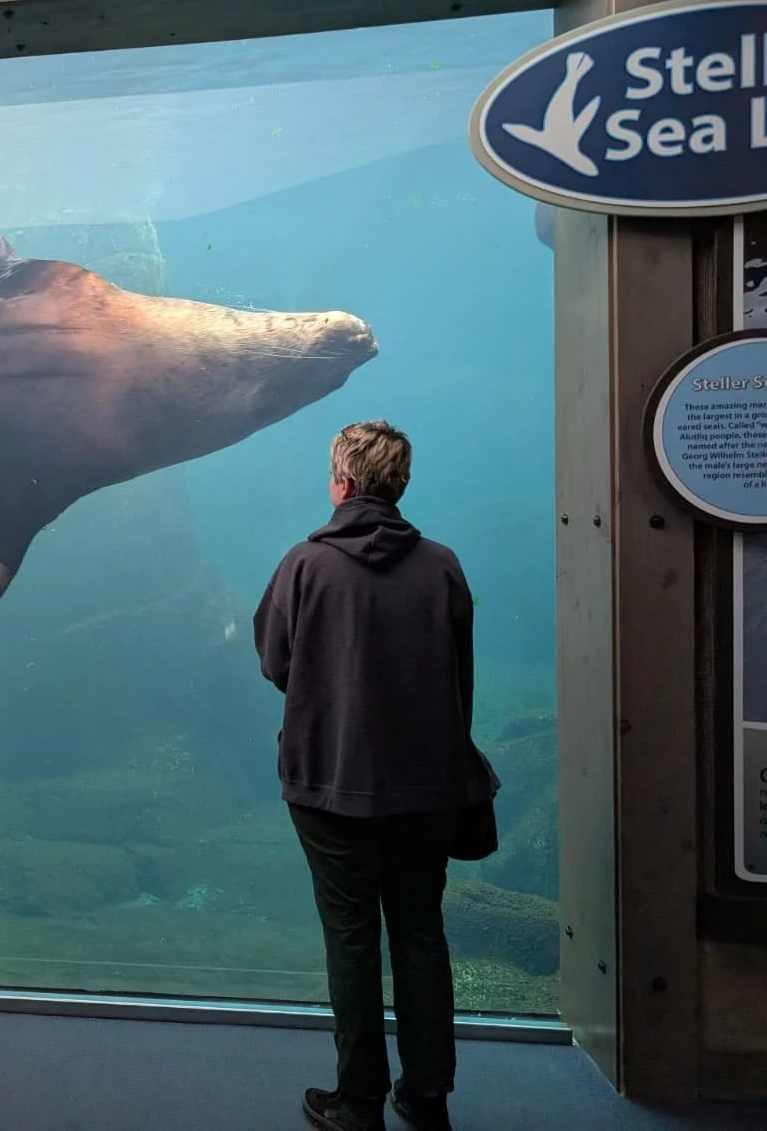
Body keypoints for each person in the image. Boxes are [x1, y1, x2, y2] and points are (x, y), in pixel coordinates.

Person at [251, 420, 496, 1131]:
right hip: (428, 785)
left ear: (342, 483)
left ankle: (357, 1102)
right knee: (420, 931)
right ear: (401, 484)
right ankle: (427, 1096)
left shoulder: (304, 565)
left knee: (351, 936)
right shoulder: (443, 565)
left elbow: (275, 663)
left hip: (329, 783)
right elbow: (459, 675)